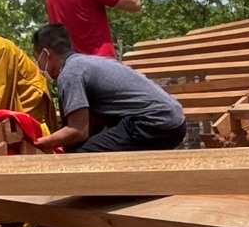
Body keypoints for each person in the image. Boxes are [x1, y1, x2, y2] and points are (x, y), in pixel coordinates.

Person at [31, 24, 185, 153]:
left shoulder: (70, 73)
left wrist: (39, 142)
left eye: (37, 58)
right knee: (78, 148)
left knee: (79, 158)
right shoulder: (90, 63)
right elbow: (91, 127)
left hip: (153, 123)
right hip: (174, 120)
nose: (38, 65)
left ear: (46, 54)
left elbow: (78, 131)